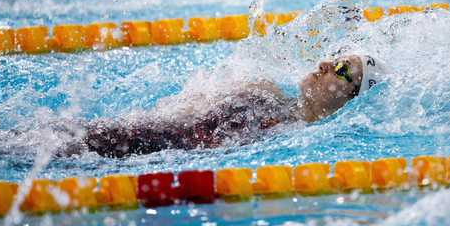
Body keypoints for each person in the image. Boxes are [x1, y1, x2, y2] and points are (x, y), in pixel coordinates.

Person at [84, 55, 391, 158]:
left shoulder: (290, 136)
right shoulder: (271, 96)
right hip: (125, 135)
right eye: (336, 55)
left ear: (351, 101)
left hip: (132, 151)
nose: (325, 63)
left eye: (341, 68)